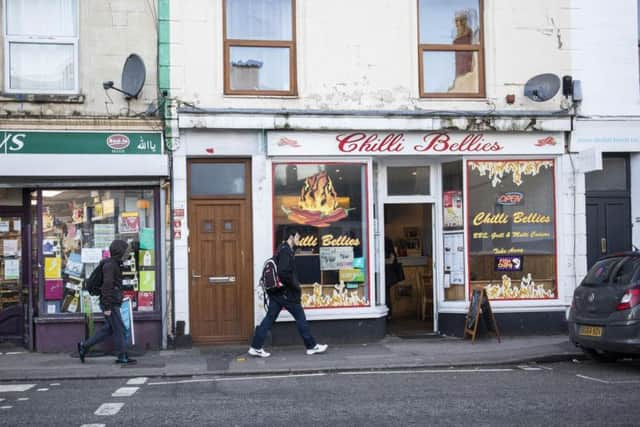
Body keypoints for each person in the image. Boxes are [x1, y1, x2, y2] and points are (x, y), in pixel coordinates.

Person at [249, 227, 328, 358]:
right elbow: (283, 272)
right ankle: (311, 346)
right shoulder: (286, 251)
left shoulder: (282, 249)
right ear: (291, 236)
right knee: (300, 318)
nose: (299, 239)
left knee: (269, 319)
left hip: (278, 293)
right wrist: (295, 286)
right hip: (287, 293)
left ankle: (255, 346)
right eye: (297, 236)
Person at [77, 239, 136, 365]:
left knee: (110, 329)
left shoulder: (115, 264)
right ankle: (122, 356)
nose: (127, 255)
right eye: (125, 252)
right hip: (110, 303)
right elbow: (107, 287)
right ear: (119, 252)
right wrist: (108, 306)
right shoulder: (110, 266)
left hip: (111, 301)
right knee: (120, 329)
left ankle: (84, 346)